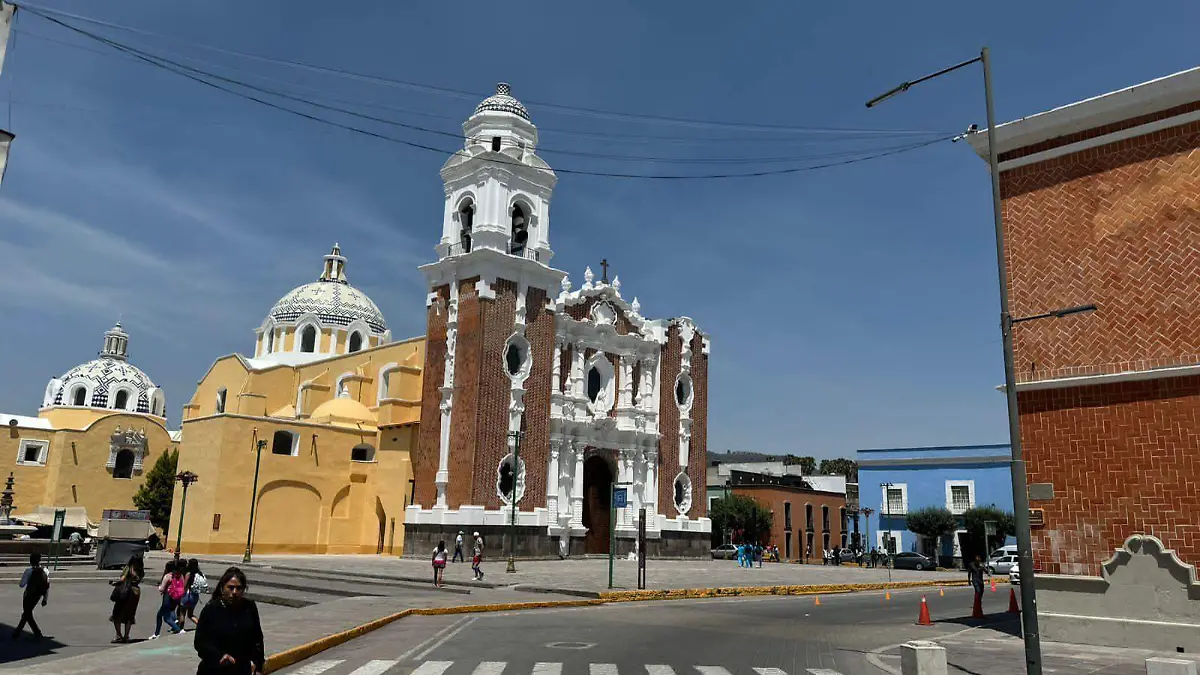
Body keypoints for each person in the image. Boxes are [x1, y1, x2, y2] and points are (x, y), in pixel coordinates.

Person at [194, 567, 264, 675]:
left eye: (239, 588)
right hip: (214, 670)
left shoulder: (249, 607)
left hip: (241, 670)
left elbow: (257, 638)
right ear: (222, 588)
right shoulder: (211, 609)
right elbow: (200, 641)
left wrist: (258, 665)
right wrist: (219, 656)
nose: (234, 592)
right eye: (230, 588)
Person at [12, 552, 49, 640]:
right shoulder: (45, 570)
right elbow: (47, 585)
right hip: (38, 595)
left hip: (28, 595)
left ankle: (37, 632)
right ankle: (17, 631)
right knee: (27, 613)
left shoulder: (28, 571)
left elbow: (22, 584)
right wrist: (45, 598)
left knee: (27, 613)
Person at [109, 555, 144, 643]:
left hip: (126, 592)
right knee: (130, 615)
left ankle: (119, 636)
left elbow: (122, 579)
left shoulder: (128, 568)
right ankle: (126, 636)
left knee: (117, 614)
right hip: (136, 592)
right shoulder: (140, 570)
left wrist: (114, 583)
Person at [150, 559, 185, 639]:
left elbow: (162, 589)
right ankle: (156, 633)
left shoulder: (167, 576)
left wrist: (159, 587)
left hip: (168, 598)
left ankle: (179, 630)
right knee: (162, 615)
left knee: (165, 617)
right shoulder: (180, 575)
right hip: (176, 598)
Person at [179, 558, 207, 627]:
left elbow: (185, 586)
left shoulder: (188, 574)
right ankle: (200, 626)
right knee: (190, 614)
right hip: (195, 596)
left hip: (187, 595)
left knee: (182, 612)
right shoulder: (200, 574)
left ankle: (181, 628)